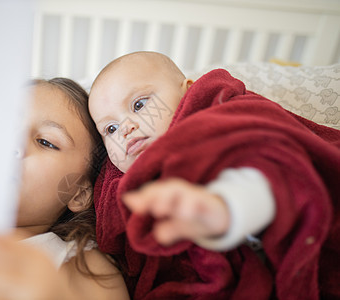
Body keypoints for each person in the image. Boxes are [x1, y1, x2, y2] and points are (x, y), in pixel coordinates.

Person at [88, 51, 340, 299]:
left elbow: (275, 155)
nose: (125, 129)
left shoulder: (220, 113)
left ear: (188, 91)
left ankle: (227, 209)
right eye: (110, 128)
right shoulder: (120, 188)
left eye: (139, 105)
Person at [0, 78, 129, 300]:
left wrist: (54, 293)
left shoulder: (80, 259)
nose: (15, 144)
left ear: (79, 194)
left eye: (46, 142)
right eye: (6, 128)